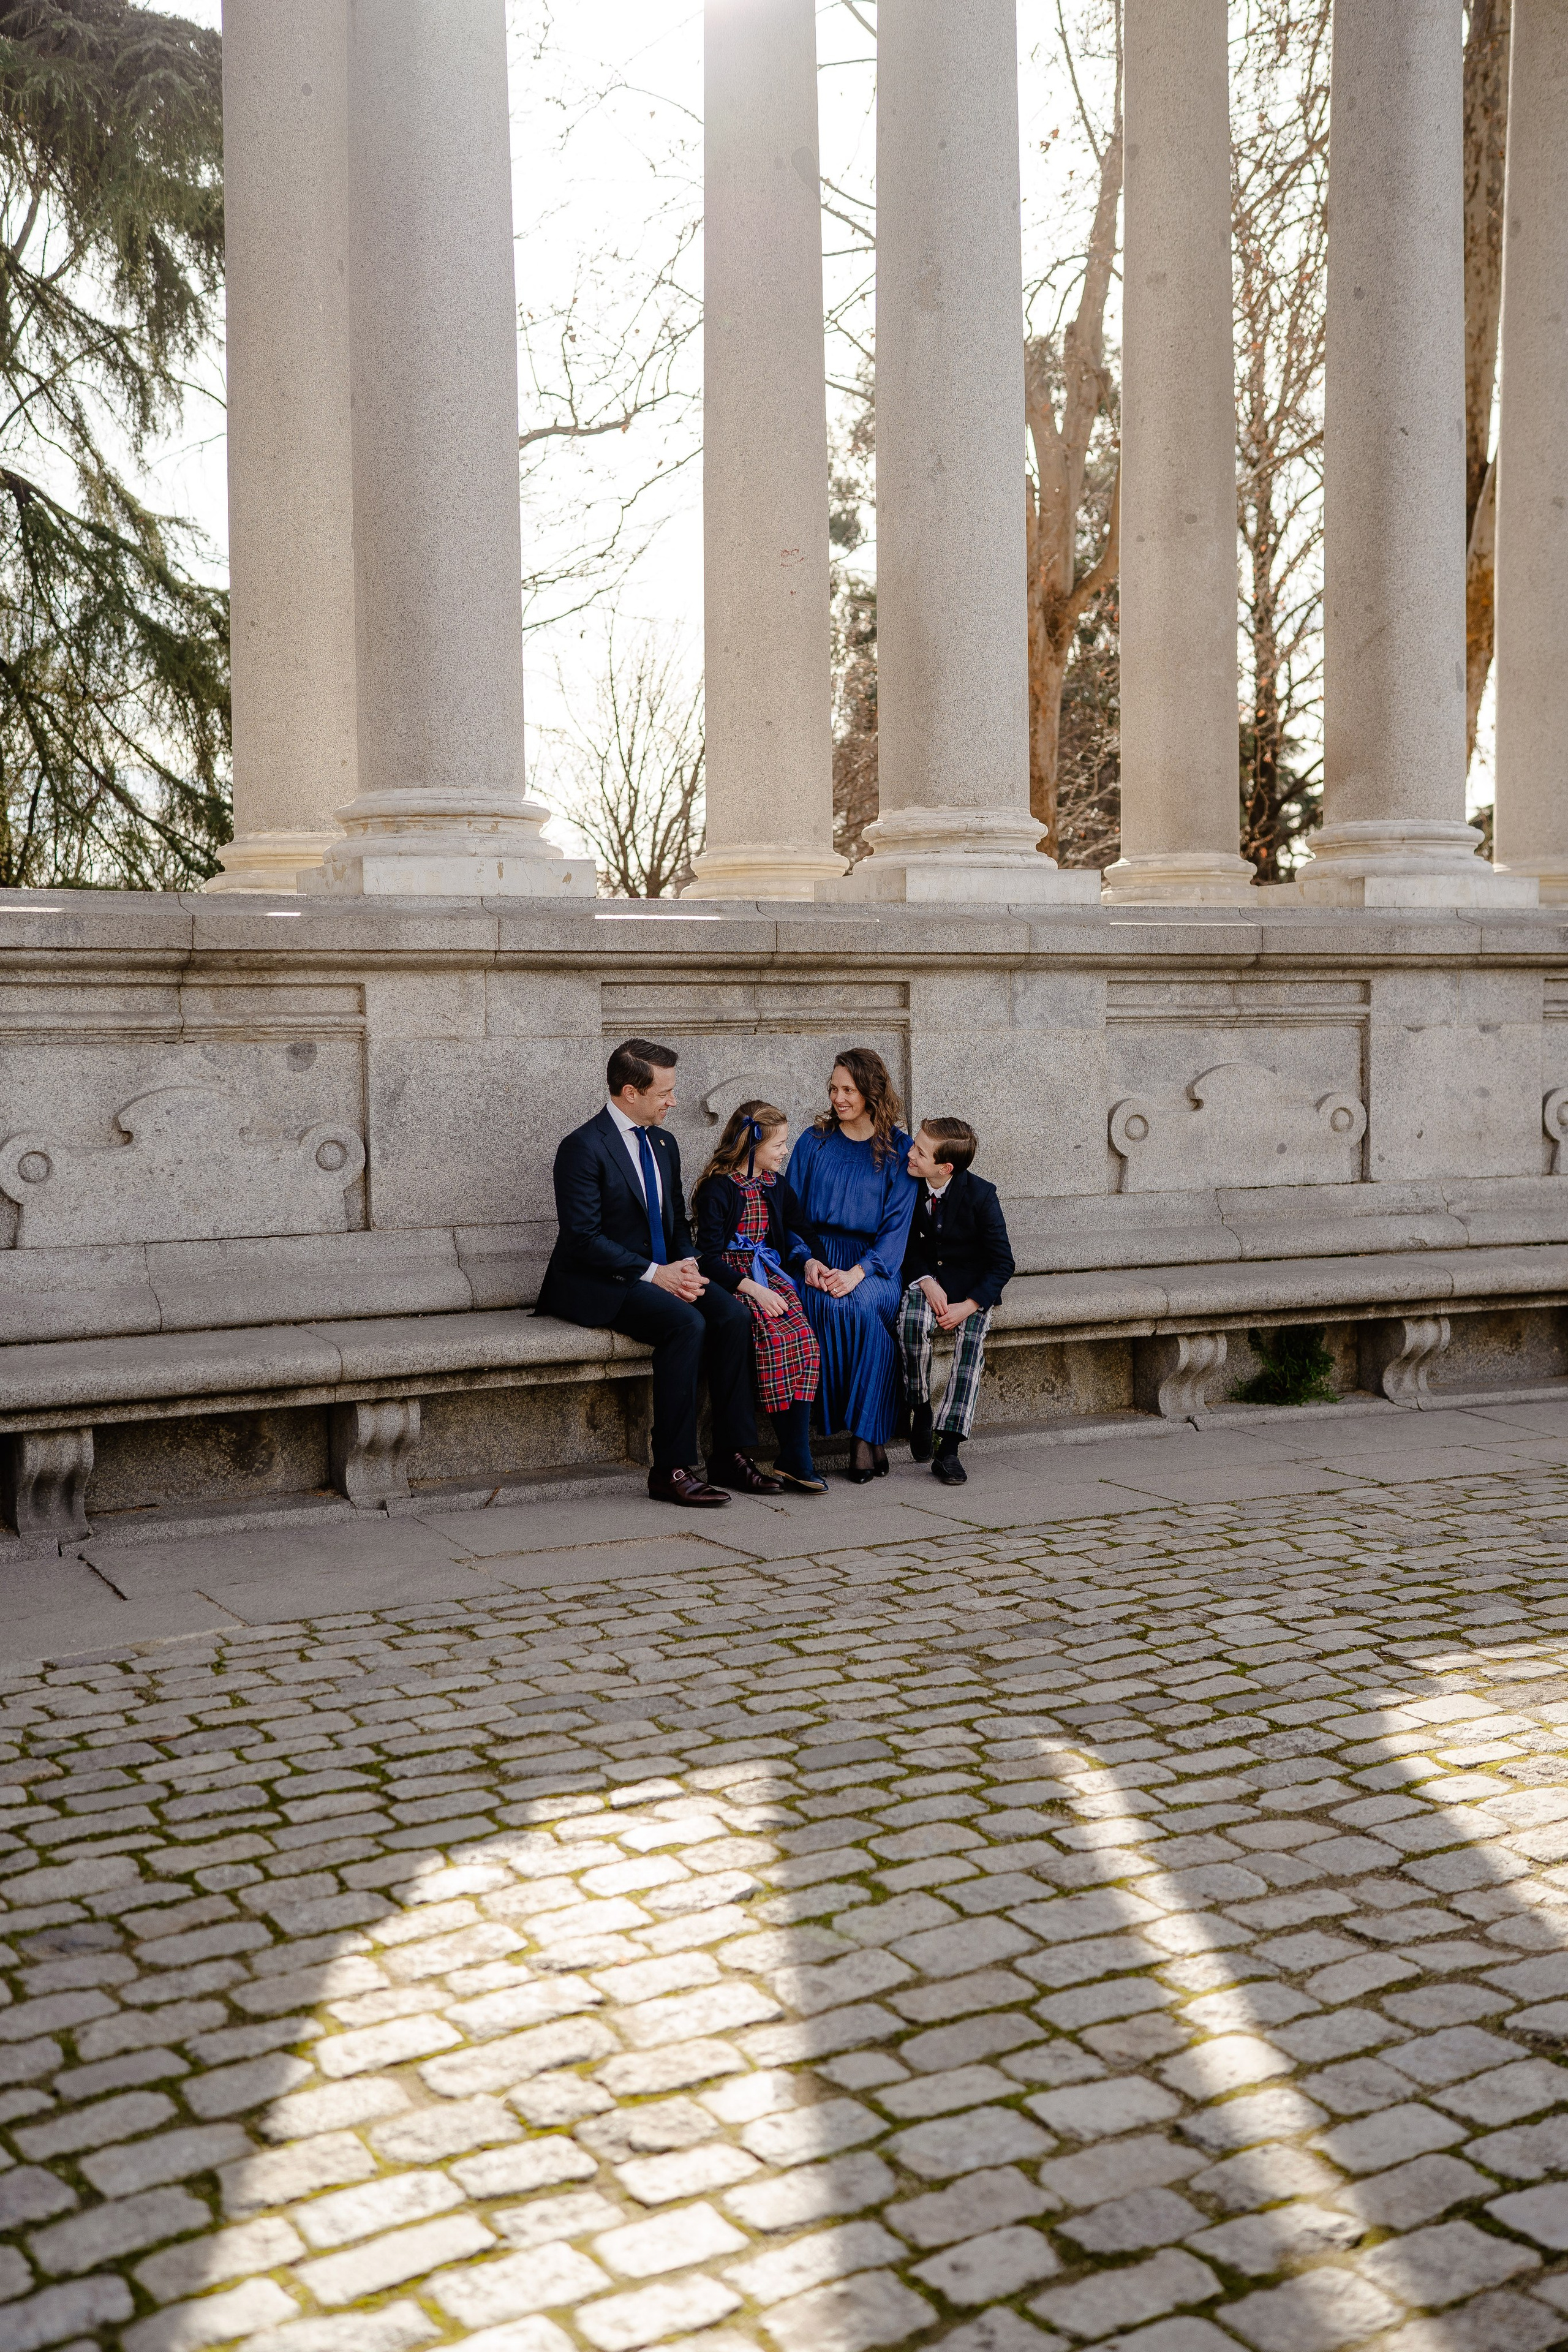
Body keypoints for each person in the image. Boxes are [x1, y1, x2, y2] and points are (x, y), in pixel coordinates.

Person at [537, 1039, 783, 1508]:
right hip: (602, 1281)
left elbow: (675, 1220)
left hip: (662, 1271)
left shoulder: (665, 1142)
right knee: (685, 1324)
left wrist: (687, 1263)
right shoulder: (582, 1147)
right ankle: (670, 1469)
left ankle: (730, 1454)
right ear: (630, 1092)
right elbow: (583, 1239)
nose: (673, 1101)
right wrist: (657, 1274)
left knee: (732, 1316)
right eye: (664, 1092)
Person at [786, 1047, 919, 1484]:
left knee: (860, 1308)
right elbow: (789, 1214)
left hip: (875, 1265)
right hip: (815, 1256)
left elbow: (896, 1230)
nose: (838, 1097)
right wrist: (807, 1261)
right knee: (824, 1305)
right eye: (833, 1088)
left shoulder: (900, 1151)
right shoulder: (814, 1141)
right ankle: (872, 1434)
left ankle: (864, 1437)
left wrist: (858, 1272)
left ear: (870, 1091)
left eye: (848, 1089)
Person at [693, 1101, 831, 1495]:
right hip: (734, 1281)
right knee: (771, 1336)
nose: (785, 1151)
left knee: (804, 1339)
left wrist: (812, 1260)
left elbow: (802, 1228)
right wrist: (751, 1287)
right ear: (752, 1145)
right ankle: (789, 1453)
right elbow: (707, 1257)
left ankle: (795, 1454)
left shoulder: (776, 1185)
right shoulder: (718, 1188)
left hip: (770, 1273)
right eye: (779, 1145)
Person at [898, 1117, 1016, 1486]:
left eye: (920, 1151)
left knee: (971, 1348)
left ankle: (949, 1446)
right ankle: (920, 1406)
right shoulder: (909, 1186)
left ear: (945, 1167)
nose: (910, 1153)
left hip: (971, 1291)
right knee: (911, 1325)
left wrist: (971, 1305)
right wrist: (927, 1281)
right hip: (926, 1281)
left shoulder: (981, 1195)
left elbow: (1003, 1263)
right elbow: (906, 1245)